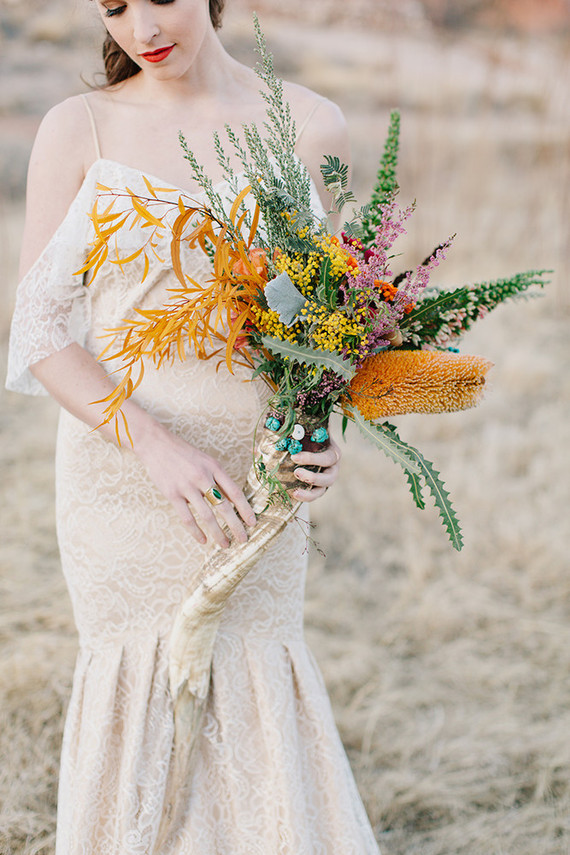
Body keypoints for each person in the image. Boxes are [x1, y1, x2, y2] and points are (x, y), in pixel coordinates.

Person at [6, 1, 381, 852]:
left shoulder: (312, 126)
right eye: (114, 6)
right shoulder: (80, 129)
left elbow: (337, 321)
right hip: (123, 477)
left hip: (260, 481)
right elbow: (38, 330)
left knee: (254, 680)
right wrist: (154, 444)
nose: (142, 26)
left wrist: (322, 430)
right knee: (138, 690)